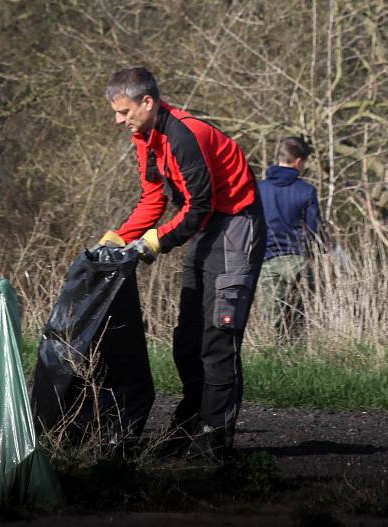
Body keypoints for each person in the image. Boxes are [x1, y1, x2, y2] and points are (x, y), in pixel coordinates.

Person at [98, 66, 266, 462]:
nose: (118, 120)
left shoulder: (184, 136)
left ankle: (215, 440)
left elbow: (200, 207)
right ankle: (189, 421)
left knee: (217, 338)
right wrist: (119, 238)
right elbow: (154, 199)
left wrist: (154, 242)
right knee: (186, 337)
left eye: (124, 111)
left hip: (236, 224)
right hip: (208, 227)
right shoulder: (145, 137)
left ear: (147, 102)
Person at [257, 136, 321, 343]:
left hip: (268, 263)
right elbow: (314, 230)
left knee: (274, 325)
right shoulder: (307, 191)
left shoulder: (259, 189)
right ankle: (298, 363)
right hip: (298, 261)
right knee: (298, 323)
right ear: (298, 162)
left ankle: (277, 363)